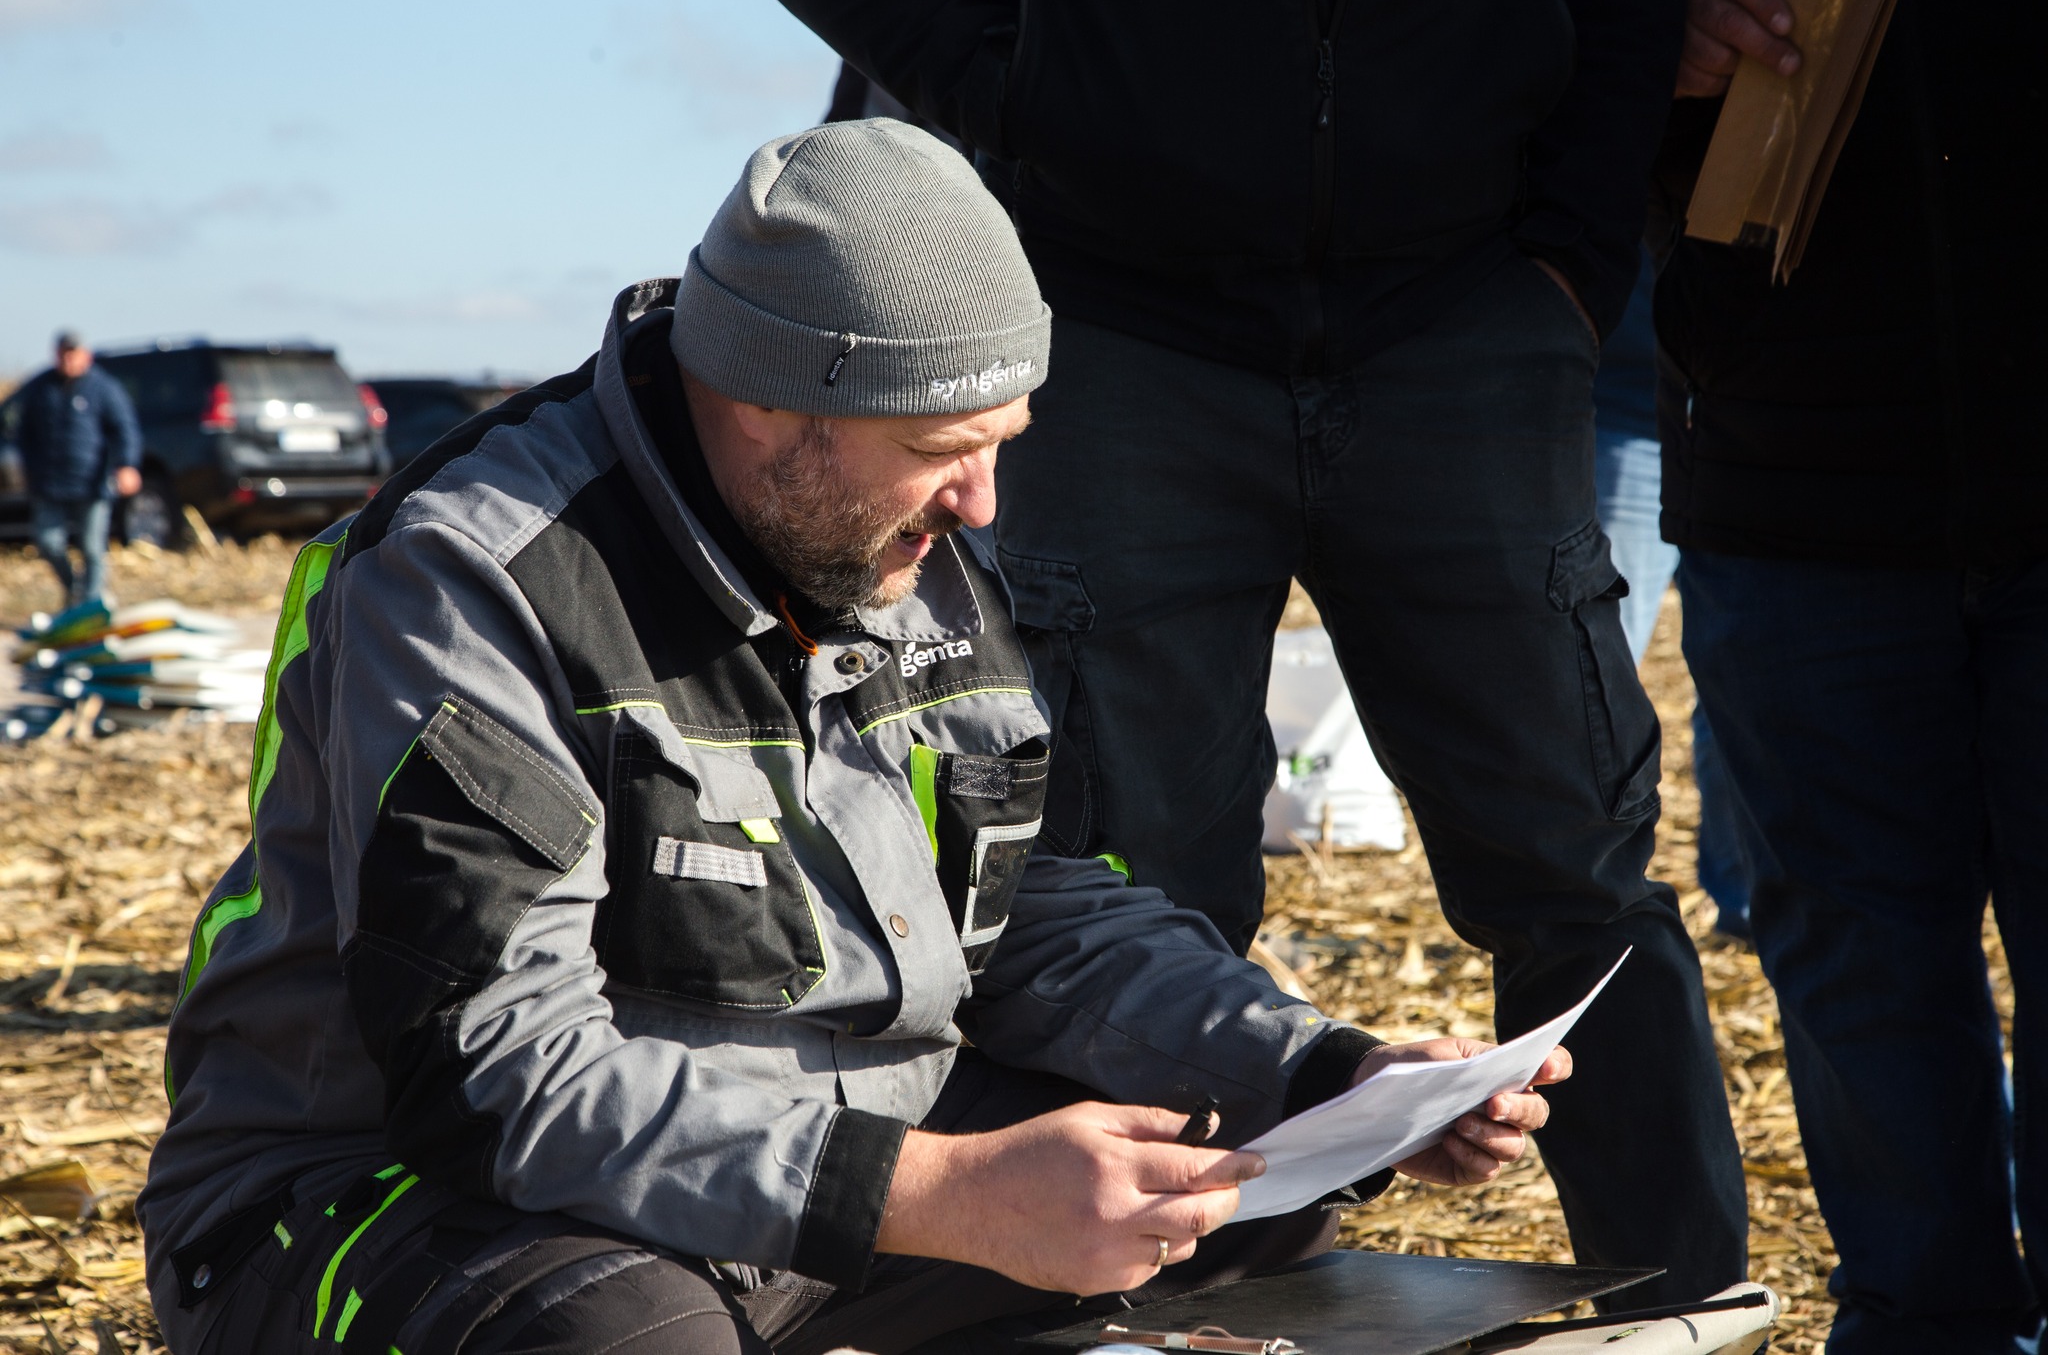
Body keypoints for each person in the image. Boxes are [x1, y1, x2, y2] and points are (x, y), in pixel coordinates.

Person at [139, 121, 1568, 1355]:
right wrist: (940, 1195)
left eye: (1003, 441)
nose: (984, 504)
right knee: (621, 1338)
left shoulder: (899, 539)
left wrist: (1324, 1074)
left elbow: (1029, 908)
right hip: (389, 1188)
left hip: (824, 1146)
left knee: (1227, 1202)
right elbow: (494, 1072)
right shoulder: (475, 575)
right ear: (769, 401)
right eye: (944, 450)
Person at [768, 0, 1746, 1305]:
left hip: (1466, 304)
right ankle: (1174, 1318)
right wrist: (1021, 87)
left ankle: (1680, 1313)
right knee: (1135, 881)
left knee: (1577, 875)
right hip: (1123, 318)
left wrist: (1572, 246)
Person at [1653, 0, 2046, 1349]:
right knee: (1858, 956)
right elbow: (1515, 53)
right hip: (1791, 468)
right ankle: (1923, 1326)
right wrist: (1643, 25)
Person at [1591, 260, 1751, 941]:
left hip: (1754, 429)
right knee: (1591, 689)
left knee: (1746, 689)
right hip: (1628, 411)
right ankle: (1591, 905)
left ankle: (1747, 903)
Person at [9, 330, 142, 608]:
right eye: (63, 354)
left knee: (92, 548)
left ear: (85, 355)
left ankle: (92, 604)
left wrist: (126, 464)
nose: (68, 360)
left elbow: (124, 429)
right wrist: (26, 468)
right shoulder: (40, 388)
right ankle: (74, 591)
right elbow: (23, 434)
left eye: (73, 354)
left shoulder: (103, 388)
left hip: (92, 482)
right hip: (49, 484)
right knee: (48, 542)